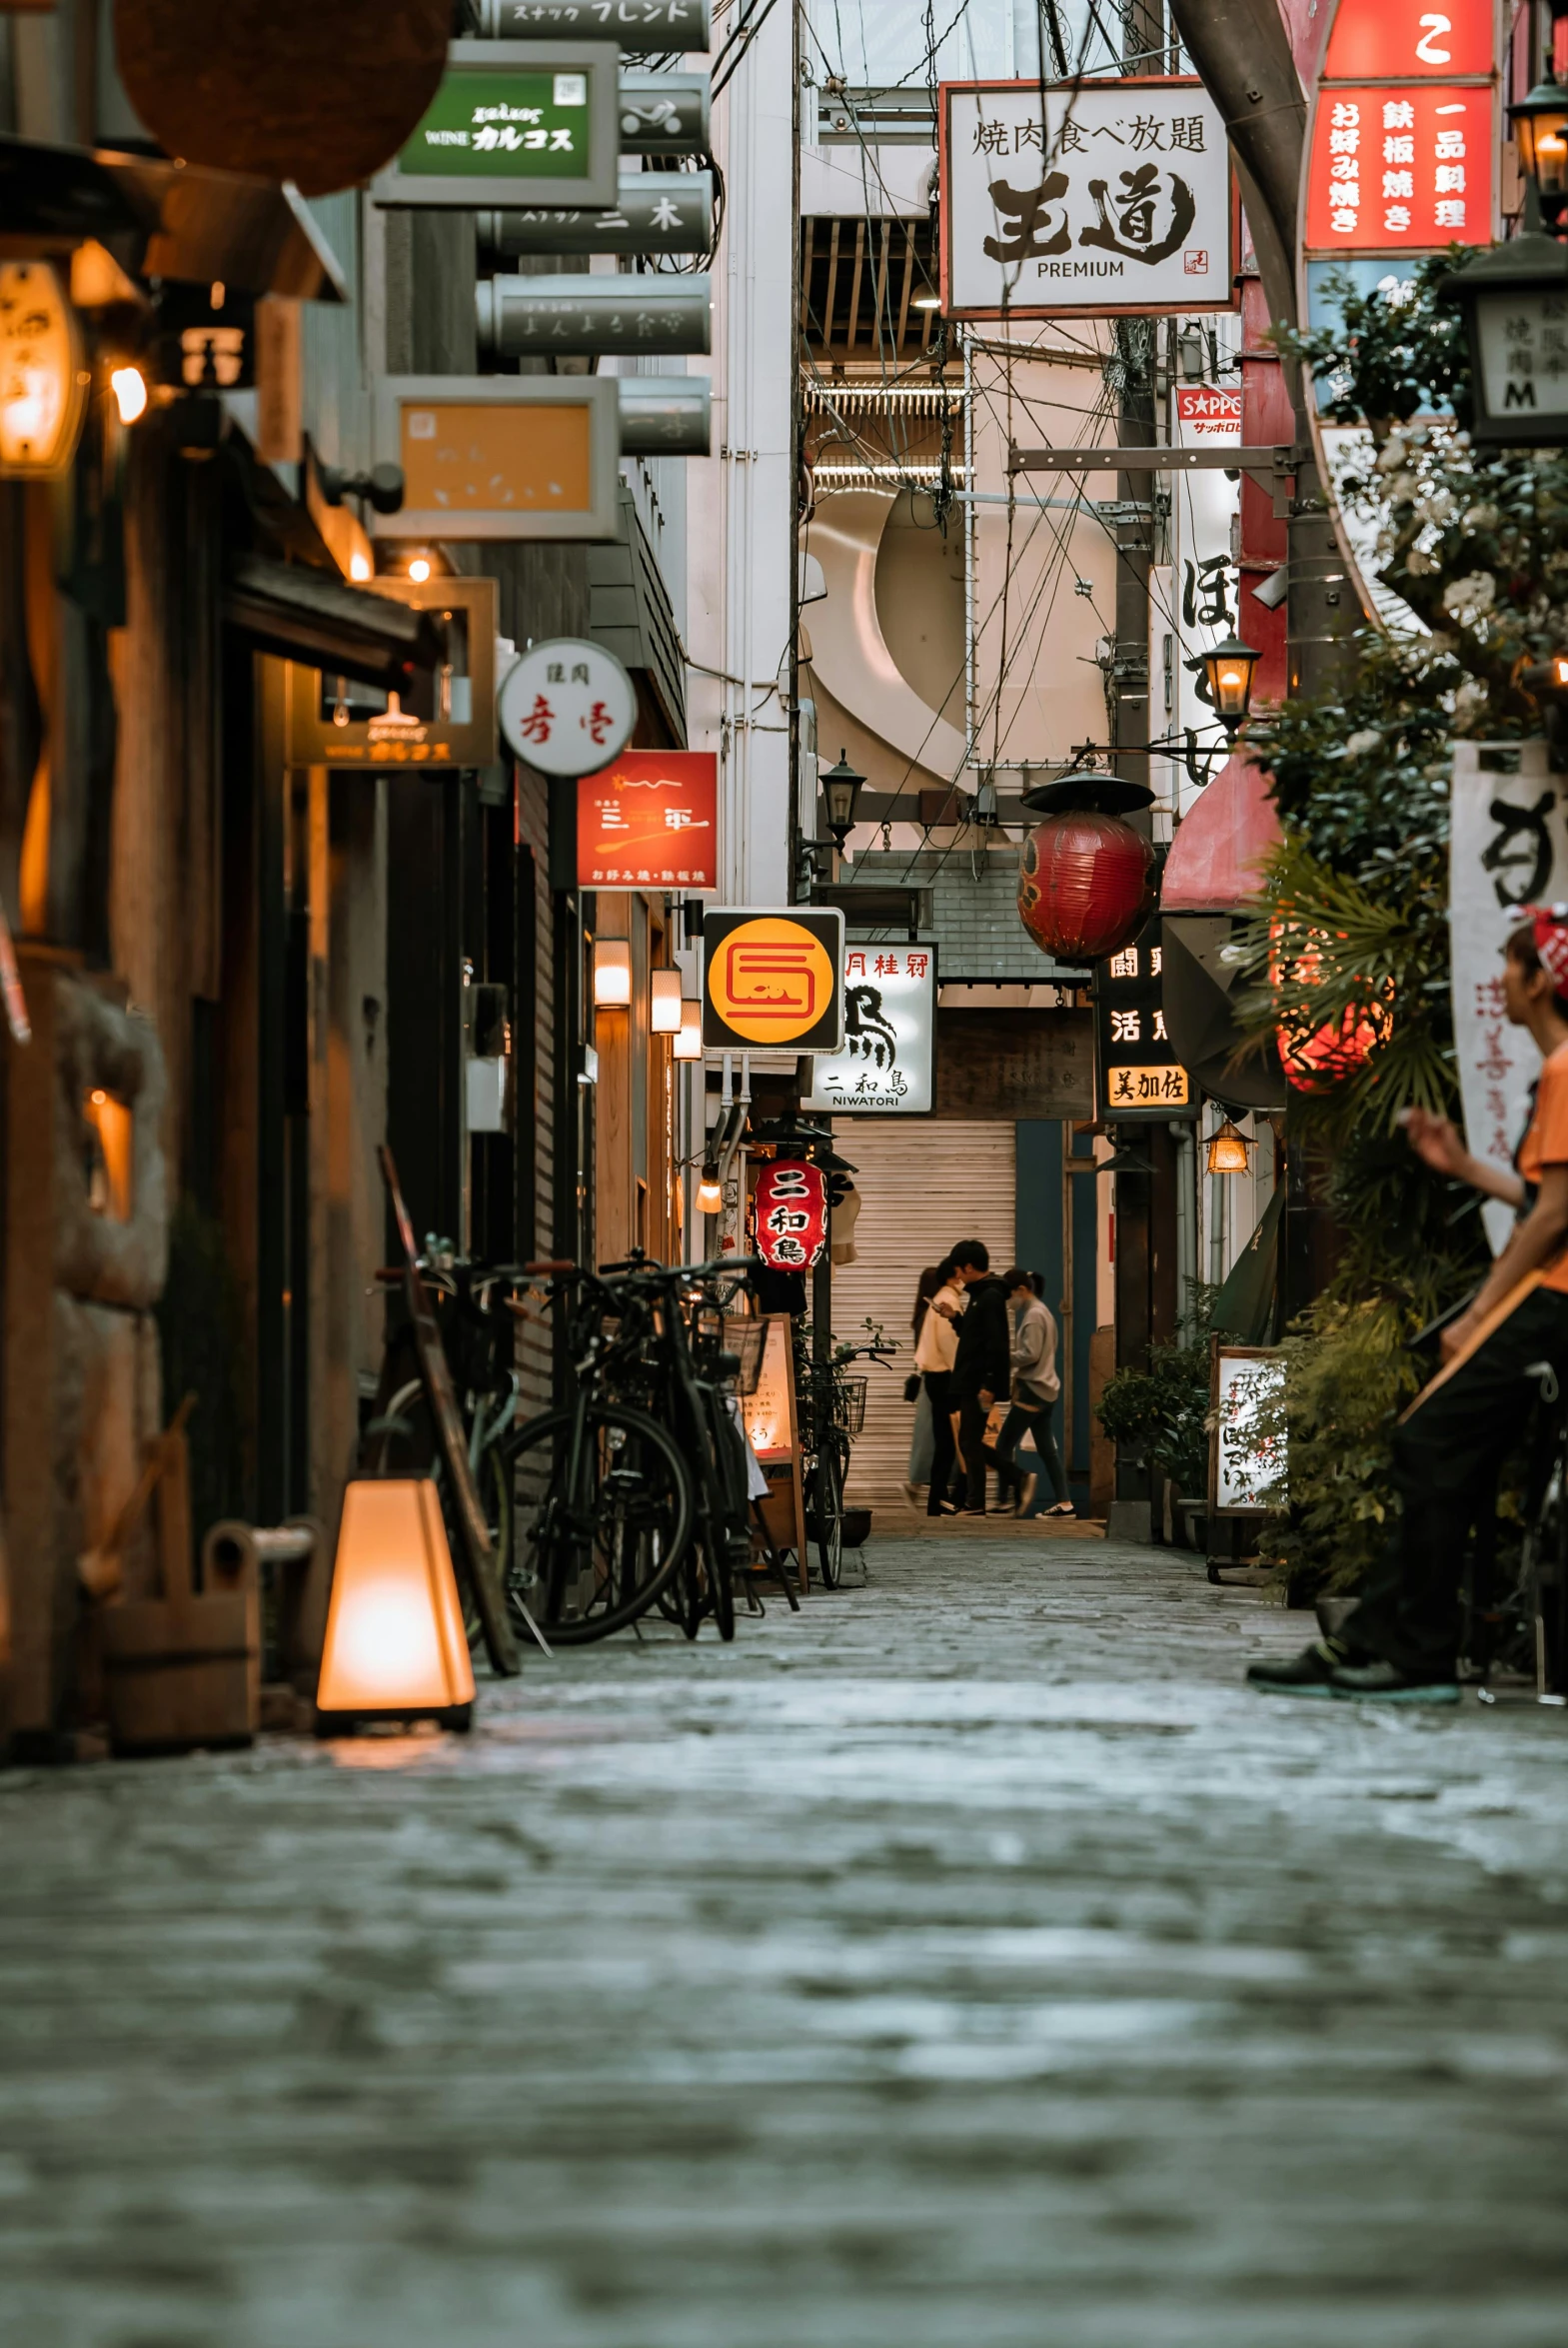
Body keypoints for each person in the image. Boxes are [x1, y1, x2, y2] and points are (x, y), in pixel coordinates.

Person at [1249, 906, 1568, 1700]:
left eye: (1509, 964)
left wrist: (1477, 1311)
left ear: (1540, 978)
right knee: (1445, 1448)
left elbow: (1556, 1215)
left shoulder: (1565, 1068)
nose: (1499, 980)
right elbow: (1544, 1197)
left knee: (1428, 1437)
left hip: (1551, 1301)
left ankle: (1404, 1649)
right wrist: (1462, 1164)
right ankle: (1399, 1644)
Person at [993, 1267, 1074, 1518]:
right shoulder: (1042, 1313)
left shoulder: (1034, 1315)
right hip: (1046, 1389)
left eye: (1009, 1295)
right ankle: (1064, 1503)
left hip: (1033, 1390)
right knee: (1047, 1450)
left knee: (1003, 1444)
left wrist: (1001, 1357)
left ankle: (1004, 1501)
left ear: (1021, 1290)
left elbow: (1031, 1354)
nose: (1008, 1302)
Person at [947, 1239, 1012, 1515]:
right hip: (971, 1381)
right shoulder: (979, 1296)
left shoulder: (990, 1297)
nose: (958, 1276)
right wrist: (954, 1318)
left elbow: (995, 1344)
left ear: (970, 1266)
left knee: (969, 1441)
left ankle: (976, 1502)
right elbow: (975, 1336)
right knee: (968, 1440)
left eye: (959, 1270)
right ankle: (977, 1499)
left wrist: (989, 1385)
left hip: (978, 1384)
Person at [913, 1254, 965, 1516]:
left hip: (935, 1378)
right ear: (952, 1274)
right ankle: (942, 1501)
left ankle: (939, 1500)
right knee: (949, 1442)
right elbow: (949, 1345)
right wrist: (963, 1376)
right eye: (960, 1271)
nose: (963, 1277)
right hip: (945, 1379)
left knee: (945, 1441)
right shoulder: (948, 1299)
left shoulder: (942, 1298)